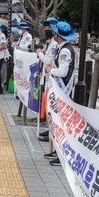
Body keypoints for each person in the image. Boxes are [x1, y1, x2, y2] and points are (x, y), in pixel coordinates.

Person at [43, 21, 79, 166]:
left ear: (58, 35)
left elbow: (62, 71)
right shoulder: (64, 47)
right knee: (57, 121)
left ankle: (61, 153)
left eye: (55, 33)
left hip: (63, 90)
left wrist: (49, 70)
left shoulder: (65, 50)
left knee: (61, 123)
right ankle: (57, 150)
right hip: (61, 90)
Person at [36, 16, 59, 144]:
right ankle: (50, 129)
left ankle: (52, 132)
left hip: (54, 80)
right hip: (47, 77)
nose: (46, 29)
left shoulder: (55, 44)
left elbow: (47, 60)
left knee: (53, 106)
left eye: (48, 26)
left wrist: (39, 53)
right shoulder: (50, 42)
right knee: (48, 105)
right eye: (45, 27)